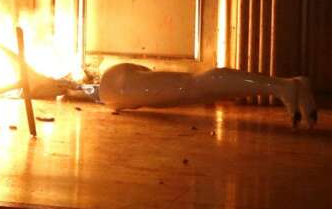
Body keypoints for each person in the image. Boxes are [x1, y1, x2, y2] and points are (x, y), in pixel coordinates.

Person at [98, 63, 318, 128]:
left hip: (116, 85)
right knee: (194, 88)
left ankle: (281, 86)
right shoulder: (112, 92)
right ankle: (290, 85)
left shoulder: (112, 87)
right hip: (116, 86)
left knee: (194, 86)